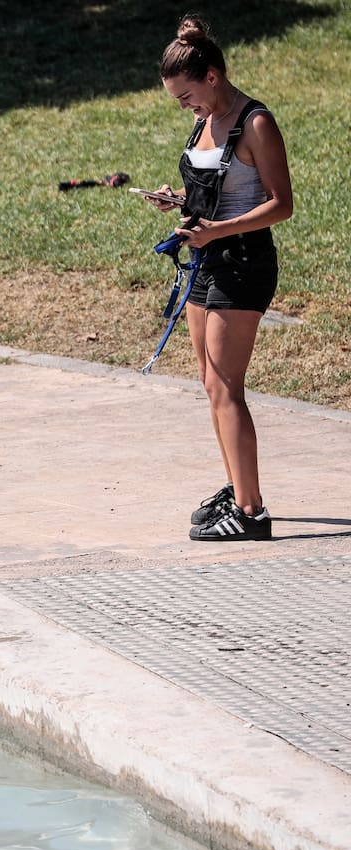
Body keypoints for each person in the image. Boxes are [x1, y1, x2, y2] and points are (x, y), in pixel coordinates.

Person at [145, 15, 293, 541]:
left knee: (229, 385)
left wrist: (220, 230)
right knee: (211, 382)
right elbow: (216, 190)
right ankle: (237, 486)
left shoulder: (255, 123)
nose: (184, 106)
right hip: (206, 261)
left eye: (186, 96)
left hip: (244, 263)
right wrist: (180, 201)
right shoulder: (205, 120)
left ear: (211, 76)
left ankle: (252, 514)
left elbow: (281, 204)